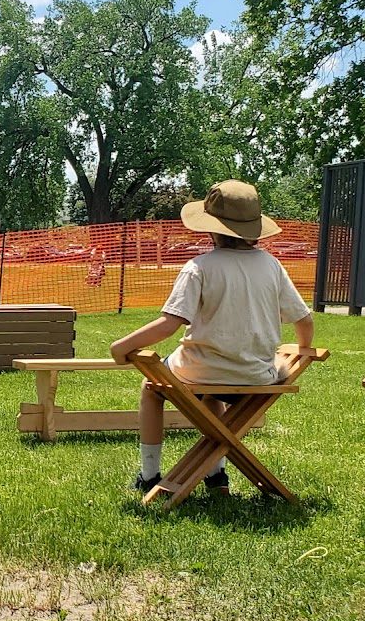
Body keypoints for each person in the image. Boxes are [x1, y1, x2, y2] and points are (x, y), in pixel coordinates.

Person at [109, 180, 314, 495]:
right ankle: (216, 476)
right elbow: (303, 318)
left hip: (201, 371)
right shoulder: (272, 266)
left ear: (211, 229)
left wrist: (123, 346)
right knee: (212, 396)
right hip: (257, 376)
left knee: (151, 388)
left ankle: (149, 475)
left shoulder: (199, 267)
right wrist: (302, 351)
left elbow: (169, 324)